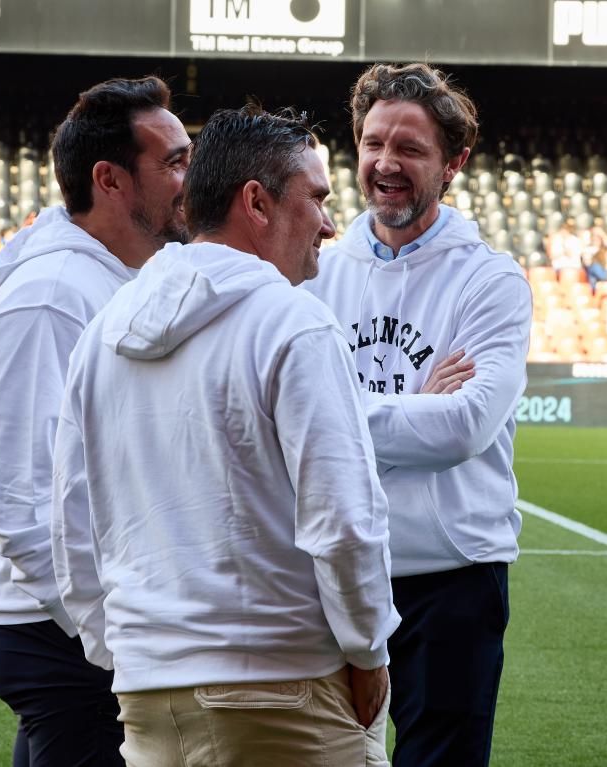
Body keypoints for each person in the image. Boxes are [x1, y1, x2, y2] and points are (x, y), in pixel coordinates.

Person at [52, 106, 400, 767]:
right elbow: (345, 521)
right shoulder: (294, 324)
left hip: (149, 700)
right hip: (282, 692)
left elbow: (73, 523)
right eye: (318, 199)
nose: (330, 223)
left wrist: (125, 651)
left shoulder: (104, 330)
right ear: (257, 203)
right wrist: (369, 652)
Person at [305, 62, 532, 767]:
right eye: (373, 144)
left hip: (452, 576)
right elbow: (283, 422)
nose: (385, 164)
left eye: (410, 148)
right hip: (337, 570)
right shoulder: (319, 271)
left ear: (454, 162)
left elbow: (464, 427)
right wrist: (414, 405)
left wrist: (337, 416)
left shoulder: (489, 279)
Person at [0, 76, 190, 767]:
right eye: (175, 161)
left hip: (79, 626)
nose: (195, 174)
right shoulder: (49, 297)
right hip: (60, 634)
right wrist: (105, 632)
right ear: (110, 180)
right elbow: (14, 502)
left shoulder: (125, 274)